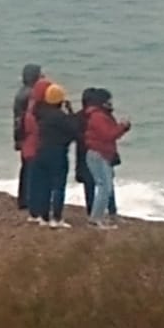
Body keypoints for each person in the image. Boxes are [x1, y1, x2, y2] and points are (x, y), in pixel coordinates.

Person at [28, 83, 81, 228]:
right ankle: (56, 218)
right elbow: (75, 130)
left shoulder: (41, 113)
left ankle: (44, 217)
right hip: (57, 152)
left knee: (44, 185)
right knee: (58, 185)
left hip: (41, 151)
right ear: (60, 100)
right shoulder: (60, 117)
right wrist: (70, 111)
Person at [80, 88, 129, 229]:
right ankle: (95, 219)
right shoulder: (98, 117)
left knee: (104, 186)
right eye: (108, 101)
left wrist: (121, 128)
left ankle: (98, 217)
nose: (111, 103)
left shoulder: (99, 115)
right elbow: (108, 135)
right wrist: (122, 127)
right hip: (99, 154)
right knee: (104, 187)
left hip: (101, 154)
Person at [12, 63, 43, 209]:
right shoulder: (31, 94)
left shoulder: (21, 92)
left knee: (26, 166)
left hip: (22, 133)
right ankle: (28, 198)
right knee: (31, 167)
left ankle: (23, 198)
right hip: (28, 134)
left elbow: (18, 119)